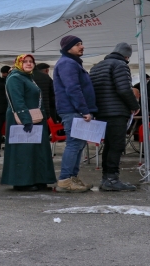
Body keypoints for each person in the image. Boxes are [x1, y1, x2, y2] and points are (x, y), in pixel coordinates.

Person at [1, 54, 57, 191]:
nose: (28, 64)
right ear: (18, 63)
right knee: (23, 150)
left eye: (31, 61)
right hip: (21, 119)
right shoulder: (15, 78)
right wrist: (26, 119)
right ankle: (22, 182)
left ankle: (38, 179)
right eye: (24, 61)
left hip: (35, 118)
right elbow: (17, 100)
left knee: (37, 150)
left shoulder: (28, 78)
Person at [89, 43, 140, 191]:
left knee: (109, 146)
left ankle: (107, 178)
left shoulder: (96, 67)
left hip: (102, 111)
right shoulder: (120, 65)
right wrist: (134, 105)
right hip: (116, 112)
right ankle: (111, 179)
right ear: (126, 56)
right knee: (116, 146)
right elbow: (124, 89)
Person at [53, 35, 97, 193]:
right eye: (78, 44)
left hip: (75, 110)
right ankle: (65, 179)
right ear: (68, 47)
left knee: (78, 144)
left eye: (82, 43)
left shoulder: (72, 63)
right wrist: (84, 110)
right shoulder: (67, 63)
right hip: (73, 110)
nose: (82, 46)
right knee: (74, 144)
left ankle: (72, 177)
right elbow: (72, 88)